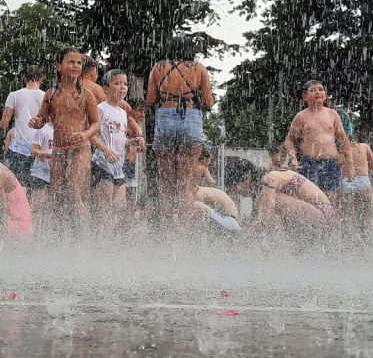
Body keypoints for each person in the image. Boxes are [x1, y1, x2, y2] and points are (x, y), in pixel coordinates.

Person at [146, 34, 215, 226]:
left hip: (165, 117)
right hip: (190, 118)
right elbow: (208, 102)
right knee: (185, 183)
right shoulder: (199, 68)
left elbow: (151, 100)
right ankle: (185, 232)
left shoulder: (159, 67)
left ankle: (166, 229)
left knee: (166, 183)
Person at [29, 47, 100, 227]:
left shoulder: (86, 94)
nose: (76, 66)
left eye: (78, 62)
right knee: (58, 196)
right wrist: (35, 122)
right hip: (58, 150)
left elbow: (95, 124)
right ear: (58, 66)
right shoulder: (51, 94)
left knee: (73, 191)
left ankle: (86, 237)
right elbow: (42, 120)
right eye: (71, 62)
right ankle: (62, 239)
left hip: (80, 148)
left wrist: (84, 134)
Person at [284, 80, 354, 208]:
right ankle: (311, 224)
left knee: (331, 198)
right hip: (308, 161)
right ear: (304, 97)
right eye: (313, 90)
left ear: (325, 95)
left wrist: (350, 165)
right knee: (309, 197)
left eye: (320, 89)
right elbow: (289, 140)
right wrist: (293, 158)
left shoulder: (332, 114)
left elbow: (343, 140)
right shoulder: (301, 116)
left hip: (330, 162)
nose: (318, 92)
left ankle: (328, 225)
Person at [224, 157, 336, 236]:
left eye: (236, 189)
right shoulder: (261, 188)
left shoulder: (269, 179)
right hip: (311, 217)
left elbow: (265, 219)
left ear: (246, 178)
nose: (240, 195)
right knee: (257, 212)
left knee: (271, 203)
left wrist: (243, 237)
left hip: (322, 215)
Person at [91, 69, 143, 224]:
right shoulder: (100, 109)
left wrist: (131, 142)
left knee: (120, 206)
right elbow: (91, 135)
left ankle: (111, 241)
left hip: (118, 164)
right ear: (106, 88)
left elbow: (118, 138)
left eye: (125, 84)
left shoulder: (122, 113)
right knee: (104, 206)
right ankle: (99, 241)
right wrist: (105, 149)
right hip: (102, 162)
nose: (123, 87)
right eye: (117, 83)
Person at [0, 66, 46, 189]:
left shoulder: (14, 95)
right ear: (42, 79)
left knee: (15, 189)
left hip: (17, 150)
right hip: (40, 150)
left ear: (24, 78)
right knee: (37, 191)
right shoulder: (47, 97)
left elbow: (4, 122)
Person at [340, 132, 373, 234]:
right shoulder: (364, 147)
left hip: (347, 181)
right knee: (368, 213)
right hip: (363, 180)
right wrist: (366, 170)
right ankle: (370, 236)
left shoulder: (340, 152)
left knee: (349, 216)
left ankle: (353, 240)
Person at [29, 121, 55, 222]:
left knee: (49, 207)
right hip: (40, 173)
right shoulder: (43, 130)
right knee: (37, 204)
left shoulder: (63, 131)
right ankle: (27, 227)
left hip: (54, 175)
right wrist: (50, 155)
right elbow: (33, 150)